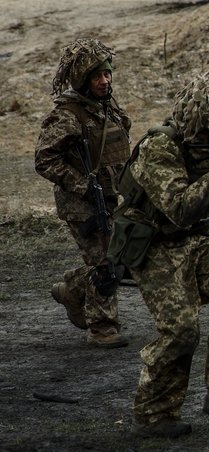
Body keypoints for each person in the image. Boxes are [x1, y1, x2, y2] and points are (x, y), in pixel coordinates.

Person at [108, 71, 209, 438]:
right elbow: (178, 208)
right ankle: (154, 414)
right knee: (182, 331)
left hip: (193, 241)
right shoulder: (159, 148)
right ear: (199, 125)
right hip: (152, 245)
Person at [35, 39, 132, 348]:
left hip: (111, 197)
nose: (104, 81)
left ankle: (73, 290)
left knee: (116, 258)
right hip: (82, 205)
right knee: (105, 263)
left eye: (107, 75)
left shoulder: (108, 108)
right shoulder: (67, 116)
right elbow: (44, 159)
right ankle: (102, 328)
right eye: (96, 77)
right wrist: (81, 185)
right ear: (83, 80)